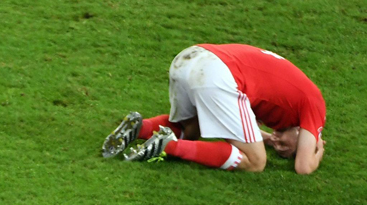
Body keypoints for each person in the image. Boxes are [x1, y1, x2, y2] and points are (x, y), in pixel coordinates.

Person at [102, 44, 326, 174]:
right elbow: (304, 167)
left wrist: (267, 139)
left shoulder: (288, 100)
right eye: (291, 148)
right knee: (256, 161)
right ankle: (168, 146)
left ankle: (140, 128)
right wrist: (318, 150)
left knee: (191, 130)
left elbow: (238, 126)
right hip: (219, 74)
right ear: (302, 132)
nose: (280, 147)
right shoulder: (314, 104)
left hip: (190, 57)